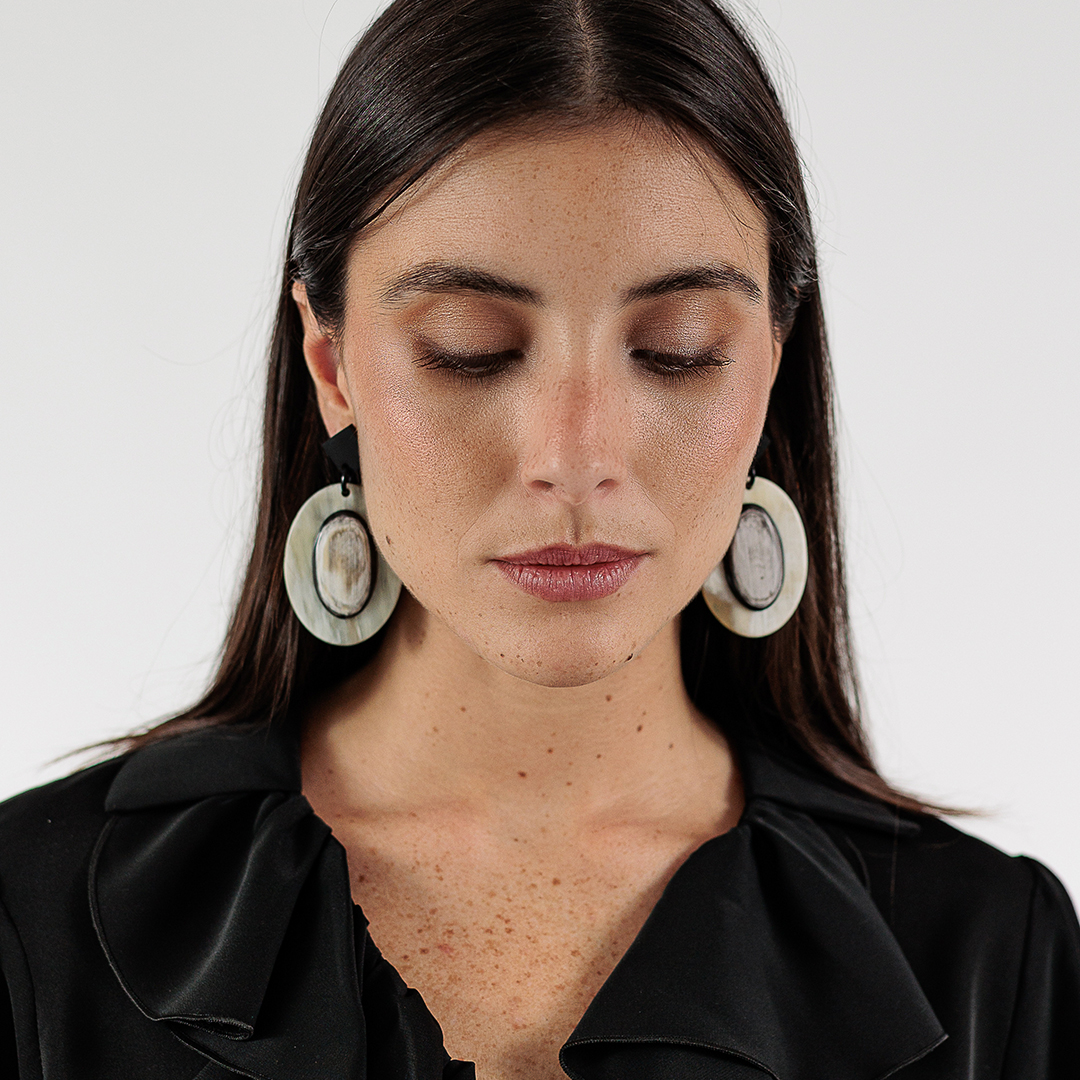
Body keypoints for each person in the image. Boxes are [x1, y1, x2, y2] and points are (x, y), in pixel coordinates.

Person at [0, 0, 1077, 1076]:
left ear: (770, 367)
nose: (575, 456)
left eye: (677, 349)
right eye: (469, 349)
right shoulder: (34, 926)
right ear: (333, 368)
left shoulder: (991, 959)